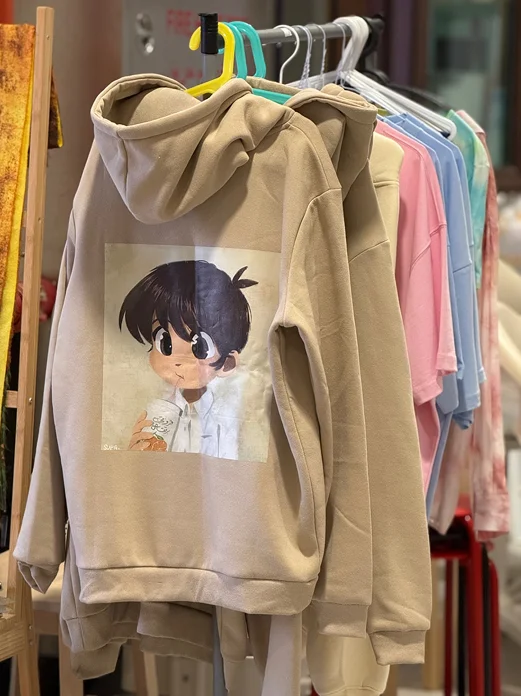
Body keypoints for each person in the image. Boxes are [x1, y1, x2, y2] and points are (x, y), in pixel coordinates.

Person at [119, 259, 258, 458]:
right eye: (165, 343)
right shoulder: (154, 411)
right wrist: (135, 452)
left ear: (227, 363)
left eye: (199, 348)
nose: (177, 360)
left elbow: (228, 463)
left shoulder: (223, 417)